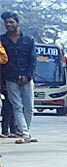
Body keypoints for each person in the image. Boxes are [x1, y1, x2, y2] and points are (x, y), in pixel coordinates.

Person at [1, 11, 37, 144]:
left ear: (18, 23)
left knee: (29, 107)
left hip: (27, 79)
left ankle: (26, 131)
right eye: (6, 22)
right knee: (17, 106)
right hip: (10, 79)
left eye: (11, 22)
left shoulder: (29, 40)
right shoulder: (2, 40)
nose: (8, 24)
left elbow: (33, 60)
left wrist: (28, 76)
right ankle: (25, 134)